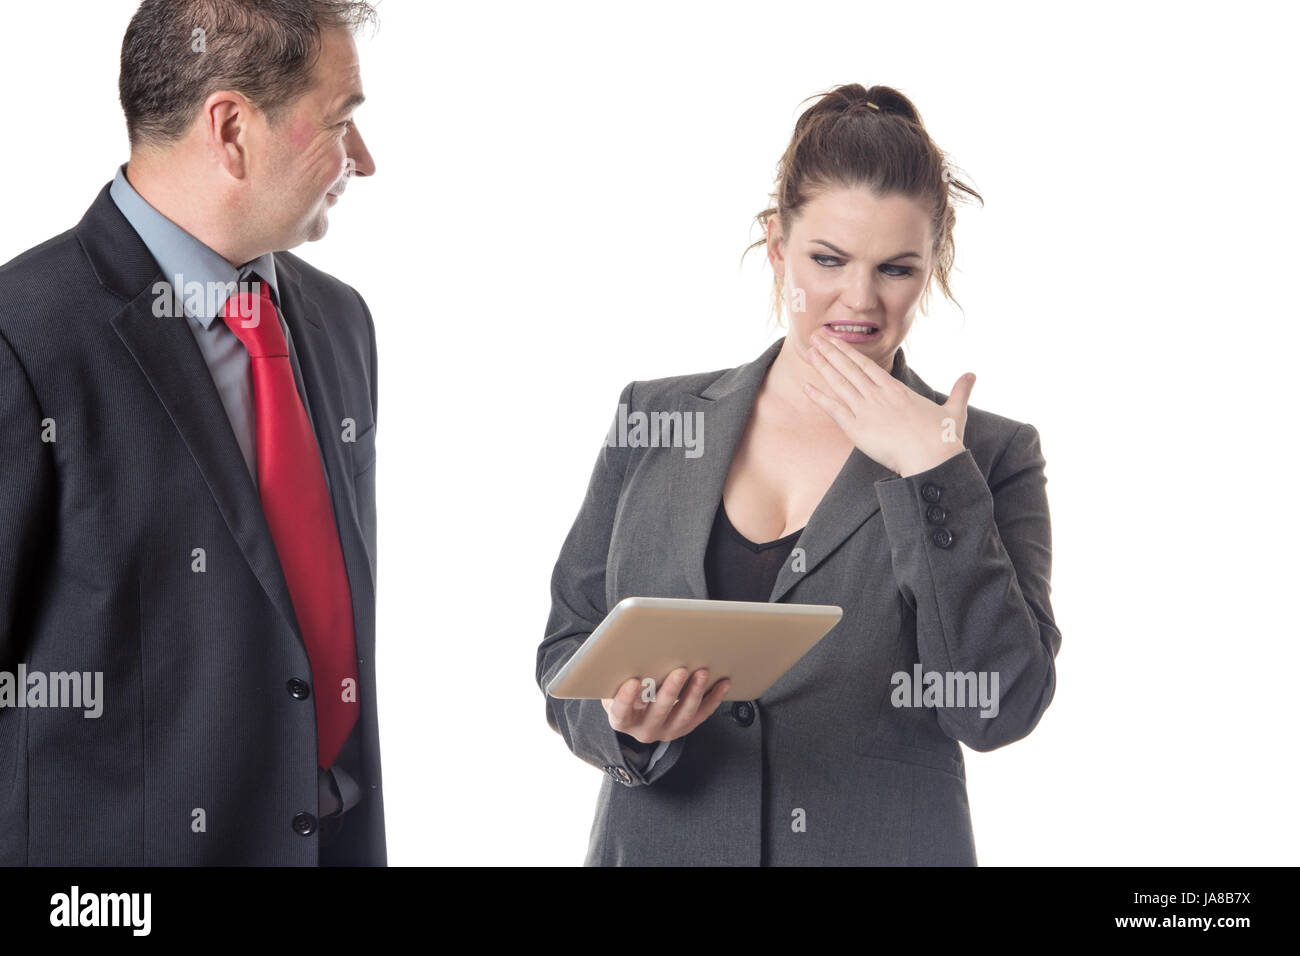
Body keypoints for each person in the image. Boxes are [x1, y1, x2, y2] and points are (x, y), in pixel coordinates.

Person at [537, 83, 1062, 866]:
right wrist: (622, 724)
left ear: (932, 267)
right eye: (828, 259)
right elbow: (566, 654)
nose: (858, 299)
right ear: (778, 247)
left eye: (896, 268)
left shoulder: (985, 454)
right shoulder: (654, 417)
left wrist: (931, 474)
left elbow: (997, 710)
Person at [0, 0, 383, 865]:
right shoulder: (22, 338)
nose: (364, 160)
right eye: (342, 122)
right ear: (231, 129)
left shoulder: (338, 322)